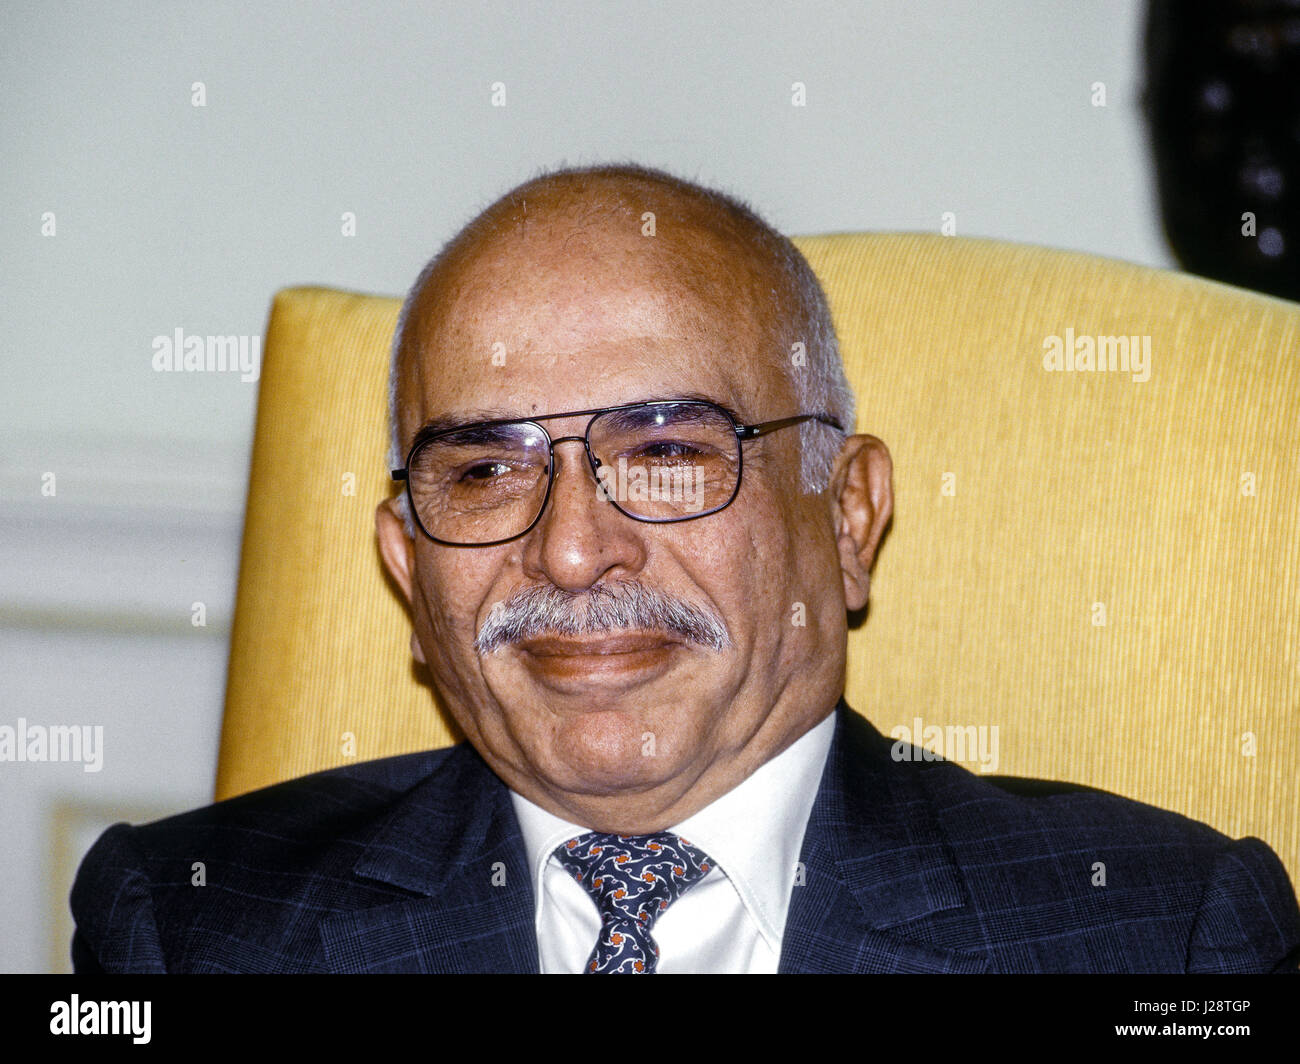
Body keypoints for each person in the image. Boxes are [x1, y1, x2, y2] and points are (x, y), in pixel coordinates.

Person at [71, 163, 1300, 973]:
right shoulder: (189, 923)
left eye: (664, 450)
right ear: (407, 568)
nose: (569, 547)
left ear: (851, 514)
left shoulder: (1156, 934)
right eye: (486, 472)